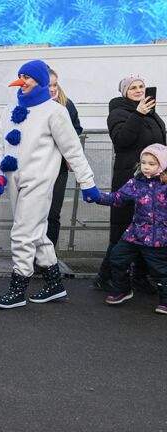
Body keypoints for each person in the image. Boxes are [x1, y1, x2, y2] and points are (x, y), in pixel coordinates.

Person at [0, 60, 99, 309]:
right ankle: (54, 285)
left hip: (39, 180)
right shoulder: (9, 109)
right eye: (21, 76)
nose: (22, 81)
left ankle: (18, 288)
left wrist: (87, 182)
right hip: (13, 179)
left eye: (27, 77)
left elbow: (73, 150)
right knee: (36, 232)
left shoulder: (55, 111)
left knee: (22, 233)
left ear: (39, 81)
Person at [94, 75, 166, 292]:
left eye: (141, 87)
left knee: (149, 227)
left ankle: (140, 277)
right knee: (124, 228)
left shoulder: (152, 113)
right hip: (130, 178)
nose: (138, 90)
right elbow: (122, 140)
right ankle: (104, 276)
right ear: (124, 92)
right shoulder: (118, 112)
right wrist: (138, 114)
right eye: (133, 87)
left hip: (153, 180)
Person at [87, 144, 167, 314]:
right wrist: (97, 197)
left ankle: (165, 301)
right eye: (143, 162)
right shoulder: (136, 183)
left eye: (152, 163)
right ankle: (122, 290)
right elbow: (118, 198)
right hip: (135, 233)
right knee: (117, 258)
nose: (146, 166)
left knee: (160, 271)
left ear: (162, 165)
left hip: (158, 237)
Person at [46, 67, 84, 247]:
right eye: (48, 85)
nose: (53, 89)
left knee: (53, 213)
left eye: (55, 84)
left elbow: (77, 128)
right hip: (36, 167)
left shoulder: (66, 105)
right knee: (35, 214)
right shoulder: (30, 107)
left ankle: (49, 257)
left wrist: (63, 139)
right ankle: (31, 255)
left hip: (59, 166)